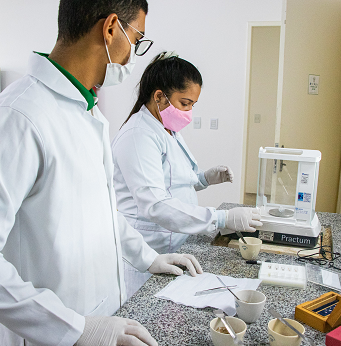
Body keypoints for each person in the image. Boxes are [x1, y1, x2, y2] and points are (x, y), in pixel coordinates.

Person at [0, 2, 203, 346]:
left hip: (97, 320)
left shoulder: (86, 112)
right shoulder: (19, 117)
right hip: (46, 333)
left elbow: (100, 212)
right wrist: (74, 329)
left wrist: (148, 257)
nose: (132, 54)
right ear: (110, 29)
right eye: (136, 39)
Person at [111, 52, 263, 298]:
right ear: (159, 96)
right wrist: (222, 218)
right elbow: (156, 204)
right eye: (185, 103)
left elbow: (174, 183)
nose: (189, 111)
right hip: (150, 250)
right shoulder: (138, 136)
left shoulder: (166, 128)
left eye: (193, 104)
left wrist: (203, 179)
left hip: (176, 244)